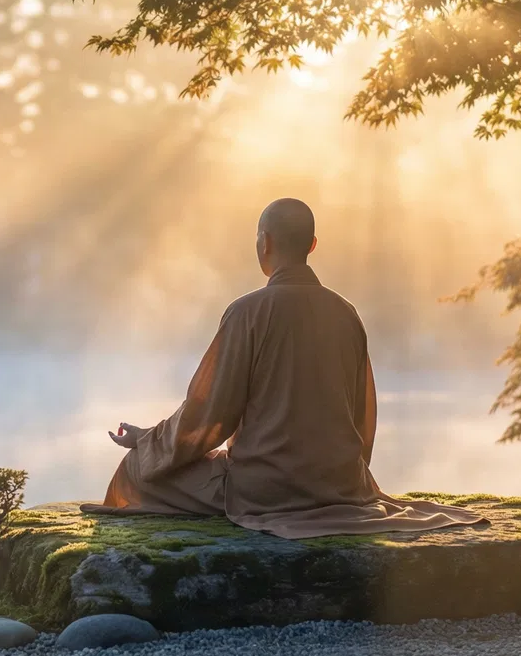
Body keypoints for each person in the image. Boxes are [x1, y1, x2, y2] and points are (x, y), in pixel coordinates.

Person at [84, 198, 485, 539]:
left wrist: (149, 441)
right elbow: (363, 416)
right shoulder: (346, 313)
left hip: (265, 489)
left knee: (138, 471)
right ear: (311, 245)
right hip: (342, 485)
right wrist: (340, 475)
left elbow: (210, 416)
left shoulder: (247, 312)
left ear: (264, 243)